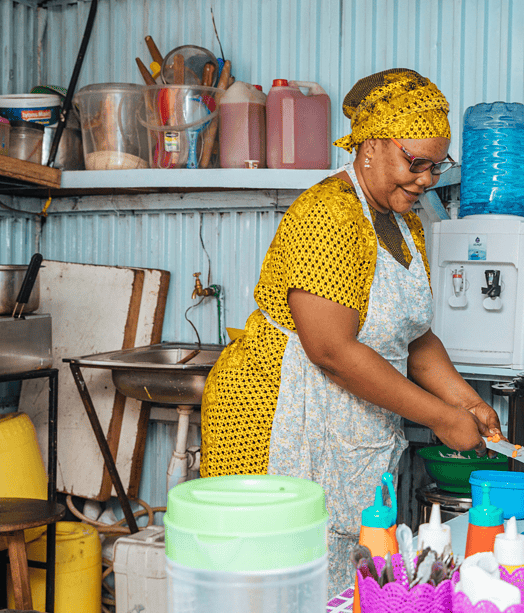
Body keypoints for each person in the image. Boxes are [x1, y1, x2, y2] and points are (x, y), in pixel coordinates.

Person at [200, 68, 503, 592]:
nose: (428, 179)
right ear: (372, 145)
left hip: (338, 423)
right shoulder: (329, 215)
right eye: (417, 162)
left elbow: (410, 332)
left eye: (438, 164)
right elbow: (331, 350)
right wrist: (440, 417)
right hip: (276, 420)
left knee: (341, 576)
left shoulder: (402, 219)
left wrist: (466, 402)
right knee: (275, 581)